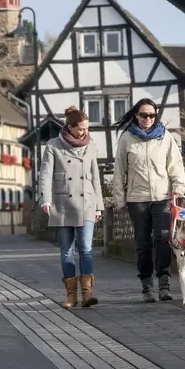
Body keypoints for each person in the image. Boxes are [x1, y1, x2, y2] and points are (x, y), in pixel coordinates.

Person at [112, 99, 185, 302]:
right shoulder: (127, 138)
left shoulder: (165, 137)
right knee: (144, 243)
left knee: (162, 240)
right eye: (144, 115)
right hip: (137, 199)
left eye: (152, 115)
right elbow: (119, 170)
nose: (148, 119)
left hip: (162, 197)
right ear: (136, 115)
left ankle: (164, 284)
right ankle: (147, 287)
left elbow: (176, 165)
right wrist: (119, 199)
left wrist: (179, 187)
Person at [39, 105, 104, 308]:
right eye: (81, 129)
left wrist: (99, 206)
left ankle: (87, 293)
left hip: (87, 203)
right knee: (66, 250)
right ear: (70, 126)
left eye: (86, 128)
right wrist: (45, 199)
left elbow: (96, 177)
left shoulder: (90, 145)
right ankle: (70, 295)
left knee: (86, 248)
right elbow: (46, 174)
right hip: (62, 203)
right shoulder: (53, 145)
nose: (85, 132)